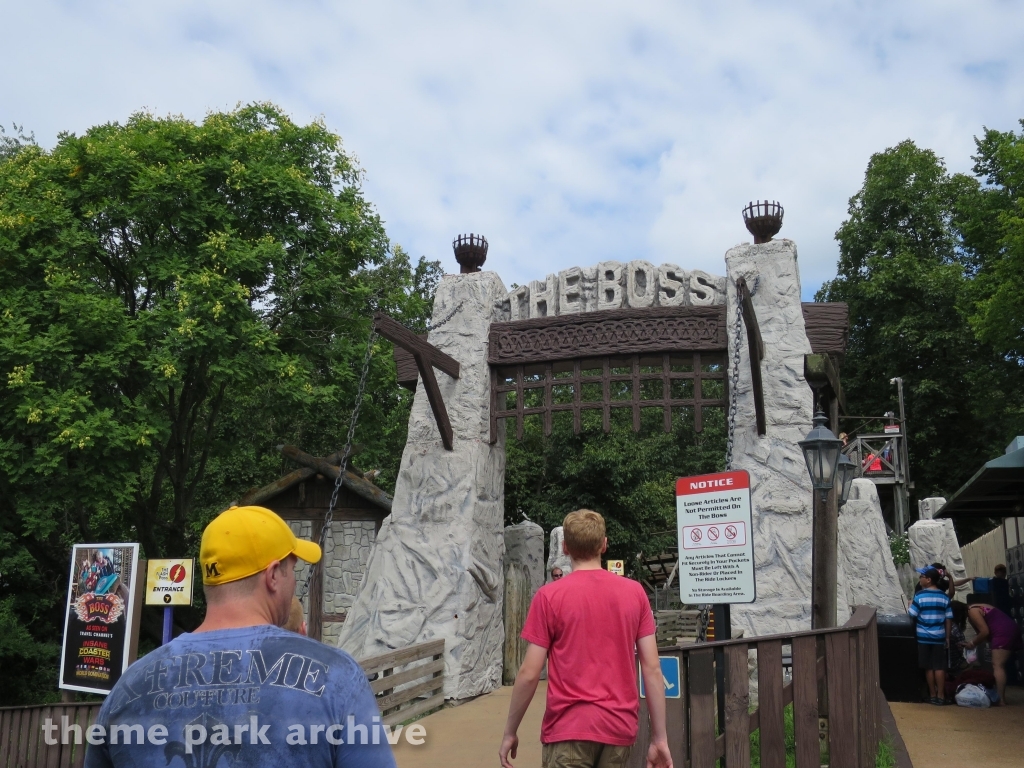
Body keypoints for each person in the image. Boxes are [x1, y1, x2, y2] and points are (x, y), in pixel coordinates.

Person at [84, 505, 397, 767]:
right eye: (292, 569)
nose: (293, 582)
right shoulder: (337, 679)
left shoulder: (128, 688)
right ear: (273, 576)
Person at [499, 510, 672, 768]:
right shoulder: (635, 593)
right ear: (604, 544)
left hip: (568, 729)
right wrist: (660, 738)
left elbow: (529, 673)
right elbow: (652, 668)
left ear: (565, 548)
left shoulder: (549, 597)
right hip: (618, 729)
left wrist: (510, 731)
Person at [963, 599, 1022, 706]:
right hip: (1010, 629)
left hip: (1002, 632)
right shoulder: (977, 606)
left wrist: (972, 643)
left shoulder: (972, 611)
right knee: (999, 665)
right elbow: (983, 634)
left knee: (998, 665)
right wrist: (972, 643)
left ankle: (1001, 700)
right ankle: (999, 697)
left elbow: (984, 632)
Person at [908, 567, 952, 705]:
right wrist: (947, 637)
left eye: (921, 576)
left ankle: (932, 695)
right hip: (939, 636)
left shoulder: (919, 596)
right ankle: (941, 696)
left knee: (928, 667)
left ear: (928, 579)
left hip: (923, 637)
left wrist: (909, 605)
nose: (919, 579)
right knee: (939, 666)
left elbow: (912, 614)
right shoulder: (944, 597)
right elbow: (948, 618)